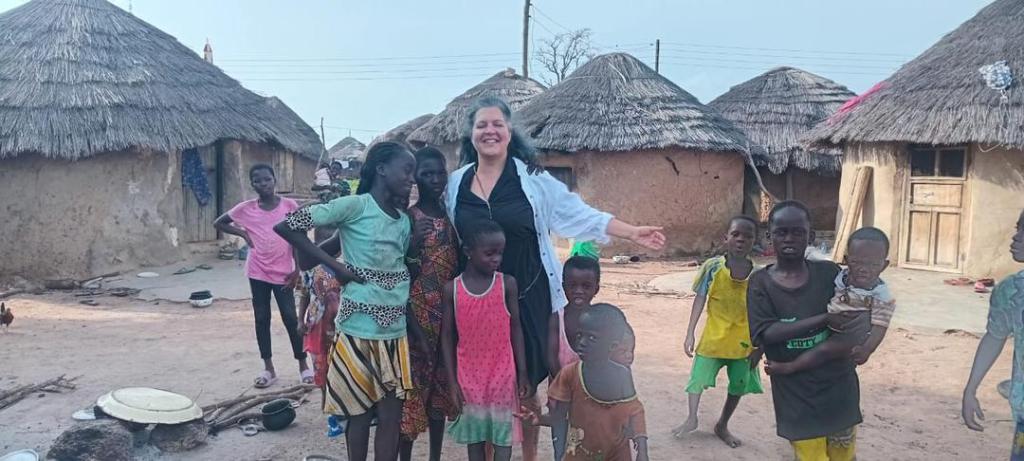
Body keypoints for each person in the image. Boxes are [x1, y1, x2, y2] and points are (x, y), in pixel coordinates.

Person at [446, 96, 665, 461]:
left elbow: (580, 214)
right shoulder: (456, 184)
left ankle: (529, 456)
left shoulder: (532, 180)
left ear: (509, 130)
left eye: (497, 124)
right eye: (481, 125)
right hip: (480, 302)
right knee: (482, 386)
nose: (490, 131)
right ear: (470, 134)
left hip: (528, 298)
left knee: (525, 386)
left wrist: (631, 232)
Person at [274, 142, 417, 461]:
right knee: (359, 414)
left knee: (391, 419)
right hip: (357, 332)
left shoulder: (403, 221)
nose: (412, 178)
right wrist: (339, 268)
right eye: (407, 170)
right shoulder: (355, 205)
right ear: (381, 169)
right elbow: (288, 226)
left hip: (394, 334)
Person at [746, 200, 870, 461]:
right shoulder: (761, 283)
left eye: (798, 232)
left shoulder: (829, 274)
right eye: (781, 232)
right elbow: (766, 333)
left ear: (810, 236)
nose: (789, 238)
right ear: (770, 236)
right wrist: (824, 319)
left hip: (838, 385)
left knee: (844, 455)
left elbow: (852, 320)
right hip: (794, 391)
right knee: (810, 456)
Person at [440, 220, 530, 461]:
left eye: (500, 253)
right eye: (489, 253)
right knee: (475, 438)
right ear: (468, 251)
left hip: (503, 373)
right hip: (469, 377)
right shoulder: (453, 290)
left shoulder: (506, 284)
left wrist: (522, 372)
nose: (496, 259)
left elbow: (516, 329)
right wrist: (452, 382)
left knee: (504, 435)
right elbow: (447, 338)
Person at [214, 164, 309, 389]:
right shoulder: (245, 209)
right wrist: (243, 233)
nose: (263, 184)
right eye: (258, 181)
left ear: (274, 180)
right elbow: (219, 223)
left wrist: (298, 268)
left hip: (284, 272)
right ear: (252, 184)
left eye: (267, 179)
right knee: (261, 318)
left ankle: (303, 366)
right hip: (257, 271)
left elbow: (298, 237)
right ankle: (268, 369)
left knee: (290, 318)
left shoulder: (289, 206)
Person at [673, 215, 763, 448]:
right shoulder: (712, 267)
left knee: (738, 386)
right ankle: (692, 418)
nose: (741, 239)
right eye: (736, 234)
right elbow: (700, 299)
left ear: (755, 240)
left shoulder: (759, 276)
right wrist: (690, 332)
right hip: (713, 338)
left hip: (744, 343)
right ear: (726, 238)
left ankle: (722, 424)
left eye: (747, 236)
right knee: (697, 380)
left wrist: (759, 347)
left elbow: (763, 313)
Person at [520, 303, 649, 461]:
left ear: (613, 345)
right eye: (580, 335)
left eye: (592, 338)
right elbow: (558, 416)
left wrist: (642, 450)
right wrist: (538, 419)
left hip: (617, 453)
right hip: (580, 453)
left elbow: (635, 412)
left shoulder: (621, 375)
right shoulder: (570, 375)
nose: (581, 342)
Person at [765, 227, 895, 375]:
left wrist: (867, 350)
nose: (864, 269)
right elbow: (818, 263)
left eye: (873, 264)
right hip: (830, 329)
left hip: (850, 336)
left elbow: (880, 327)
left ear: (884, 265)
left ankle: (790, 367)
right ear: (847, 261)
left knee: (823, 350)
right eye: (857, 262)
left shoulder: (880, 295)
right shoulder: (842, 276)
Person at [399, 147, 459, 461]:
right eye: (427, 174)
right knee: (413, 394)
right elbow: (398, 276)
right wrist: (413, 244)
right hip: (416, 320)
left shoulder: (452, 216)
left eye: (440, 173)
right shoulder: (410, 220)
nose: (435, 180)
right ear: (415, 179)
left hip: (448, 320)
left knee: (439, 395)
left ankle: (435, 456)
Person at [962, 209, 1024, 459]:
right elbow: (994, 337)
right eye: (1018, 229)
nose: (1015, 238)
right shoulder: (1011, 292)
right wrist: (970, 389)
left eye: (1023, 231)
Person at [547, 256, 602, 377]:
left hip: (592, 389)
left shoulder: (601, 320)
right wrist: (562, 385)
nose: (579, 291)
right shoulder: (557, 319)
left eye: (586, 286)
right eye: (572, 285)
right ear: (563, 286)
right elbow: (551, 358)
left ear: (596, 289)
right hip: (560, 387)